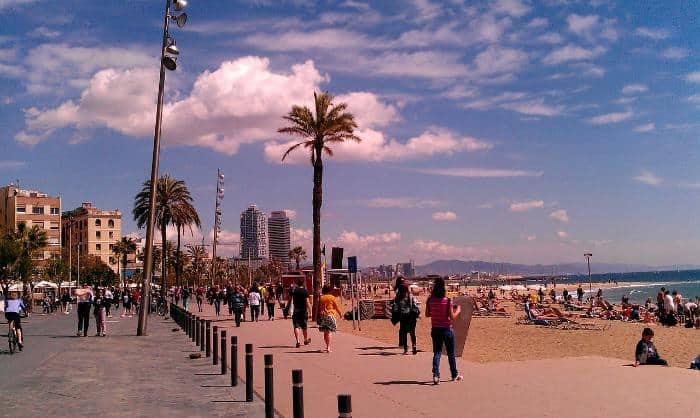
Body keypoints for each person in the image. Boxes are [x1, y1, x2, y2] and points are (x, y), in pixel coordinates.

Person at [425, 277, 463, 384]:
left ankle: (436, 375)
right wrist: (458, 311)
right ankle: (454, 374)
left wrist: (436, 313)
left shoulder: (430, 300)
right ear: (443, 287)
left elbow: (427, 314)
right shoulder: (447, 301)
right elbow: (452, 317)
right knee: (451, 353)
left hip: (435, 329)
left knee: (437, 352)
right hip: (446, 329)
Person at [394, 280, 419, 355]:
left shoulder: (398, 297)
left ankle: (405, 348)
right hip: (411, 316)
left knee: (404, 332)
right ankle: (414, 347)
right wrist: (417, 313)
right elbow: (415, 305)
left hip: (403, 317)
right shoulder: (410, 296)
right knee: (412, 332)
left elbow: (395, 307)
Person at [317, 285, 341, 353]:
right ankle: (328, 347)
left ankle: (327, 346)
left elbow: (319, 308)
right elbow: (336, 307)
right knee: (329, 331)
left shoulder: (321, 298)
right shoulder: (332, 297)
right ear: (329, 290)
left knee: (325, 332)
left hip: (323, 316)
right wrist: (340, 314)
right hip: (330, 315)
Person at [289, 278, 312, 348]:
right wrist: (310, 312)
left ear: (297, 284)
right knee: (304, 326)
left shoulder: (294, 291)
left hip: (296, 311)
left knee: (296, 326)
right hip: (303, 311)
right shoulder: (305, 291)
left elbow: (290, 299)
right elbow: (307, 302)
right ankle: (305, 340)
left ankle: (298, 341)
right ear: (303, 283)